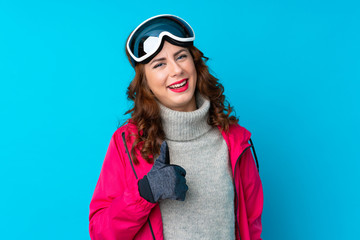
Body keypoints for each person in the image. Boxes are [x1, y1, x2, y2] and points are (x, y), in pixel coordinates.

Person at [89, 14, 263, 240]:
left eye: (181, 56)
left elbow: (251, 227)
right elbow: (101, 233)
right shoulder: (127, 142)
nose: (176, 70)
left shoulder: (236, 141)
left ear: (195, 64)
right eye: (159, 64)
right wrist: (145, 193)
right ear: (146, 82)